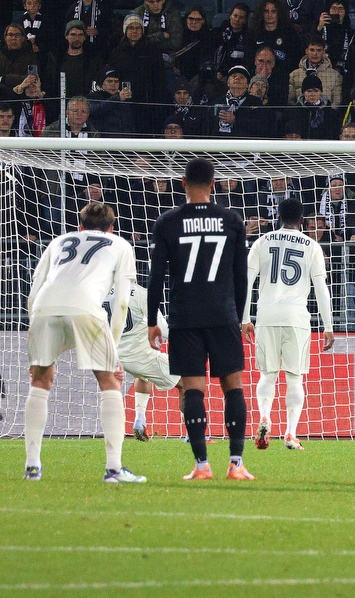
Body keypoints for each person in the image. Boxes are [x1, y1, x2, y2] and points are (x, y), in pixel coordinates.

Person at [146, 157, 252, 481]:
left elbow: (156, 276)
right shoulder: (232, 220)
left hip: (185, 317)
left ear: (182, 183)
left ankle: (202, 465)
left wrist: (152, 319)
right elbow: (241, 276)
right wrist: (237, 314)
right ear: (213, 184)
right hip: (223, 316)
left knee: (193, 389)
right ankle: (236, 464)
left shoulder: (168, 222)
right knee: (232, 386)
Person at [24, 201, 144, 482]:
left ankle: (32, 467)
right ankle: (114, 469)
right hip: (85, 307)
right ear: (111, 228)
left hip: (44, 307)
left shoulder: (58, 241)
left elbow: (34, 287)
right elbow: (122, 301)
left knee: (39, 380)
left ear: (79, 226)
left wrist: (36, 332)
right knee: (109, 380)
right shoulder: (120, 245)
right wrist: (113, 351)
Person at [241, 197, 335, 451]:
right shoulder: (312, 245)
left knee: (267, 374)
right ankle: (291, 433)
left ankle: (264, 416)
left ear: (279, 217)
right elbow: (321, 288)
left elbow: (246, 281)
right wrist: (328, 325)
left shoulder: (261, 242)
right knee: (295, 378)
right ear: (301, 220)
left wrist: (245, 318)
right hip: (296, 317)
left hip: (266, 315)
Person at [105, 282, 181, 441]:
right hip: (140, 356)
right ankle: (193, 434)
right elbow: (163, 330)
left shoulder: (101, 291)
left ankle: (140, 420)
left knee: (143, 375)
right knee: (188, 381)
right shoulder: (140, 294)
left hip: (114, 356)